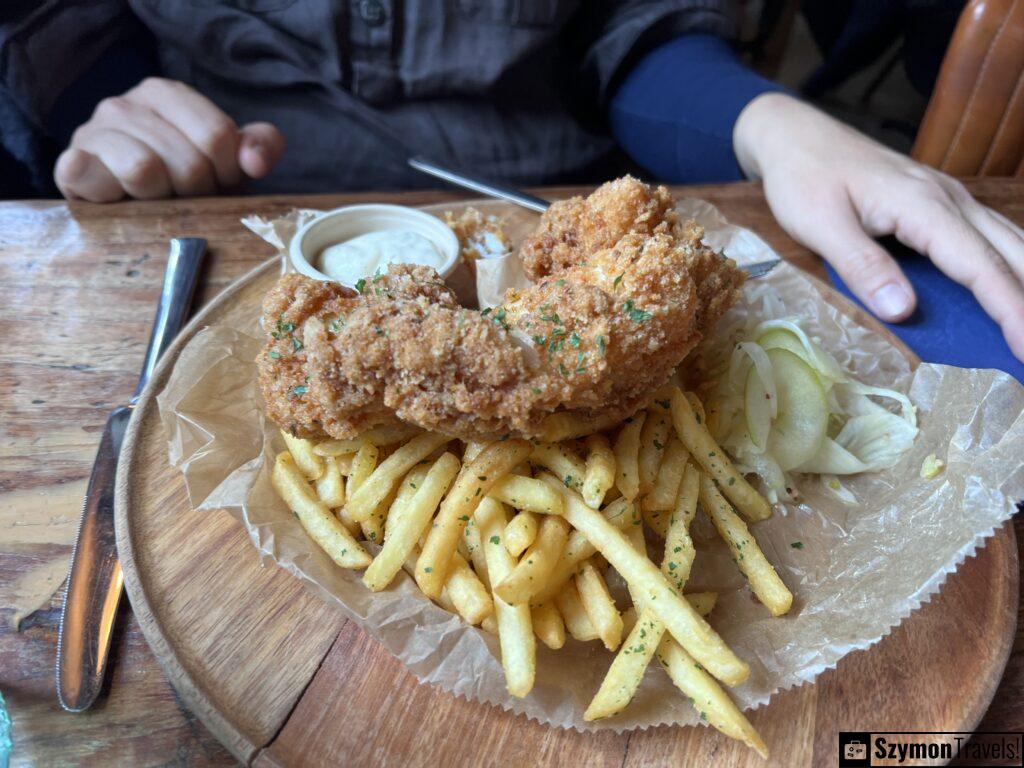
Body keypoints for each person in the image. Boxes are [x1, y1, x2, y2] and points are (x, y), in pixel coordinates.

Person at [2, 0, 1022, 361]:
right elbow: (50, 25)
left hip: (546, 202)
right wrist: (107, 101)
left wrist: (769, 122)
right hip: (211, 223)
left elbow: (627, 32)